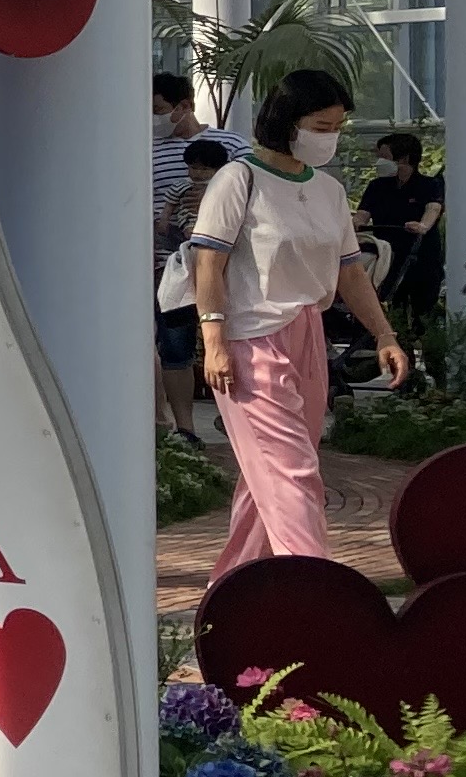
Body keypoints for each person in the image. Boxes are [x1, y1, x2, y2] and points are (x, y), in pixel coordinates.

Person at [191, 69, 407, 570]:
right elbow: (208, 264)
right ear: (287, 121)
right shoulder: (238, 179)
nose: (330, 137)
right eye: (320, 126)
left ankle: (235, 592)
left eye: (337, 128)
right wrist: (214, 341)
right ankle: (315, 585)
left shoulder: (328, 190)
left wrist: (384, 334)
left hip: (309, 333)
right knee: (292, 472)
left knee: (267, 477)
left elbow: (350, 272)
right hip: (249, 339)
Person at [156, 133, 232, 442]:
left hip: (220, 270)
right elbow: (166, 218)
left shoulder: (231, 188)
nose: (197, 173)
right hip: (181, 270)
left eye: (203, 168)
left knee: (226, 344)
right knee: (178, 346)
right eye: (193, 167)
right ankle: (185, 428)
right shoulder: (182, 188)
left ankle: (234, 417)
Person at [360, 130, 443, 316]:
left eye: (385, 157)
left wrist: (422, 226)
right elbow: (362, 214)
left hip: (420, 259)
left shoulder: (429, 185)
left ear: (404, 159)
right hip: (385, 258)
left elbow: (433, 208)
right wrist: (353, 224)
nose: (380, 162)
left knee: (421, 310)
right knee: (388, 307)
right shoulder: (377, 186)